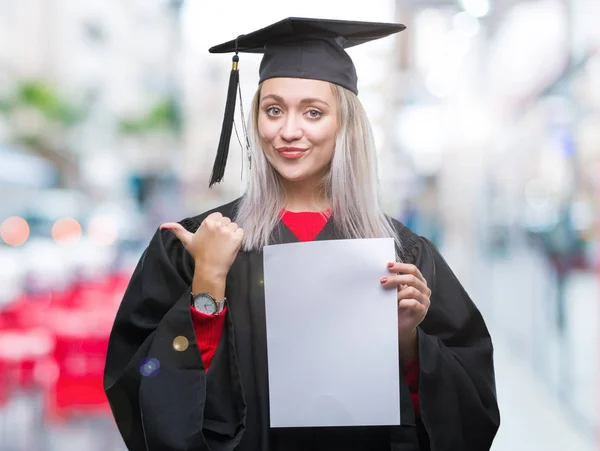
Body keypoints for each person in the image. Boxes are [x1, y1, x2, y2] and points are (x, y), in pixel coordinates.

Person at [104, 17, 500, 451]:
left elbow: (473, 412)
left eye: (313, 112)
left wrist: (408, 343)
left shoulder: (403, 254)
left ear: (344, 124)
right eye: (273, 110)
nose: (289, 131)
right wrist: (207, 290)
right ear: (255, 119)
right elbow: (136, 384)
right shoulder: (196, 245)